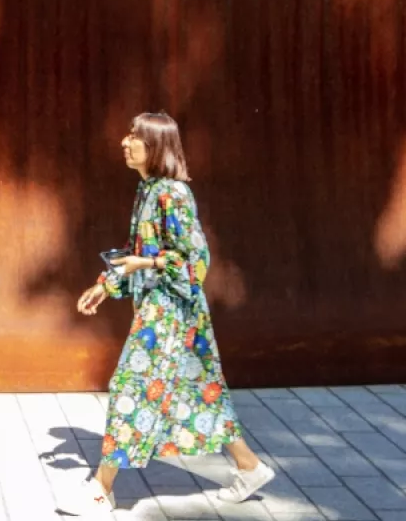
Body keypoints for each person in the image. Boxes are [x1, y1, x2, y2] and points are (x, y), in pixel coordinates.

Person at [71, 112, 274, 513]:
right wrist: (105, 285)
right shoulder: (148, 191)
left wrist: (143, 266)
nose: (125, 142)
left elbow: (196, 262)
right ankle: (249, 467)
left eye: (134, 137)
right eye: (127, 134)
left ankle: (102, 488)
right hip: (160, 310)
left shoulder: (173, 195)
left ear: (156, 146)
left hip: (172, 316)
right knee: (202, 396)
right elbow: (139, 255)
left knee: (129, 387)